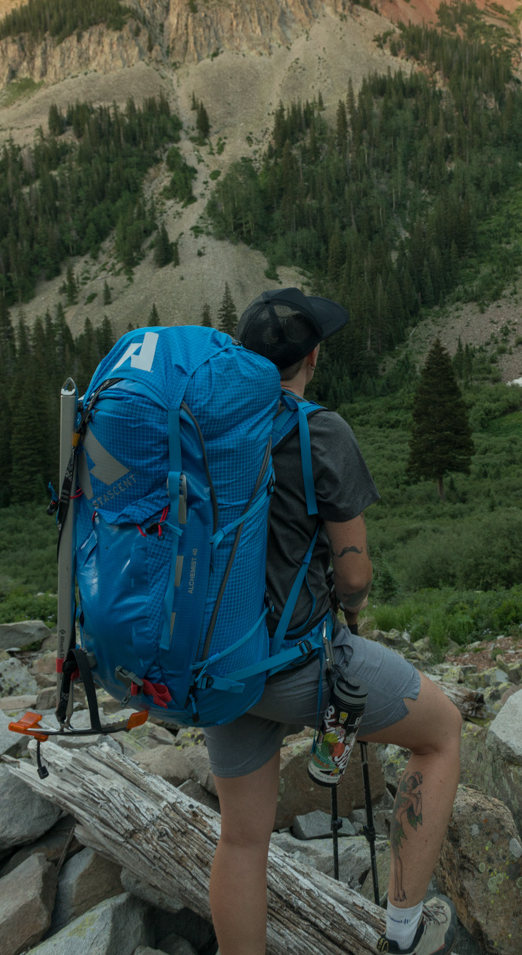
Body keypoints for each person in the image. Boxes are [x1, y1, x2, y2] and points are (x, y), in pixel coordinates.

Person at [203, 287, 462, 955]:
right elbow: (353, 574)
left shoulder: (205, 425)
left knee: (240, 837)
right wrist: (351, 614)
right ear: (311, 357)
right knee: (441, 733)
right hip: (294, 659)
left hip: (216, 661)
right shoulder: (319, 430)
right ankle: (404, 930)